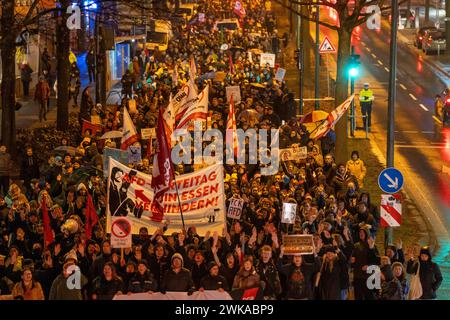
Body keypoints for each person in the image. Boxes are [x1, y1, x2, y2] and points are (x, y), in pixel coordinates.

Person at [351, 225, 380, 300]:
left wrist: (369, 266)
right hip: (358, 275)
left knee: (368, 296)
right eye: (360, 232)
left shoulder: (372, 246)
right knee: (358, 296)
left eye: (363, 232)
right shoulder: (356, 245)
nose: (361, 234)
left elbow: (377, 261)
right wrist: (352, 260)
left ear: (367, 233)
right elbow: (352, 260)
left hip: (369, 276)